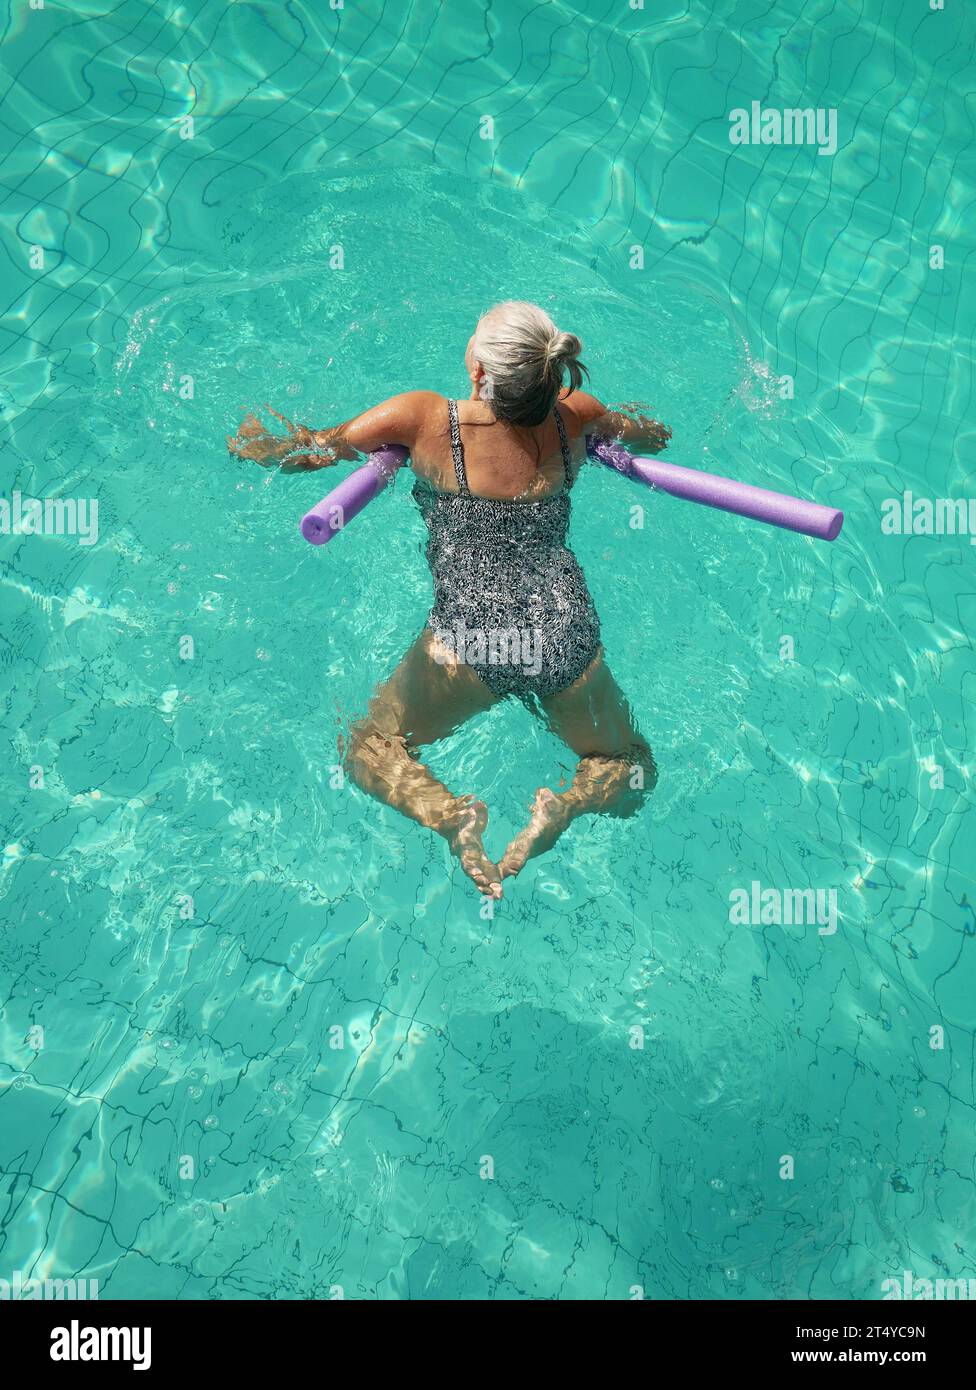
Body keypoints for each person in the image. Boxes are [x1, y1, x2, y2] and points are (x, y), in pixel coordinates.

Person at [229, 301, 671, 897]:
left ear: (479, 374)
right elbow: (653, 437)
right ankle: (564, 807)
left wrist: (253, 445)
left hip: (474, 635)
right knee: (631, 765)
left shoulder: (426, 421)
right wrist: (625, 430)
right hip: (563, 627)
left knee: (368, 748)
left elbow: (315, 452)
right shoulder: (577, 415)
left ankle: (451, 817)